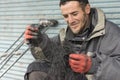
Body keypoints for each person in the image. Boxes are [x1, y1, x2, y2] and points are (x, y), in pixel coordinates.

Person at [24, 0, 120, 80]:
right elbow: (51, 57)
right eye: (66, 16)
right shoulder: (65, 34)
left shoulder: (110, 32)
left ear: (87, 9)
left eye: (74, 14)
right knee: (36, 68)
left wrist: (93, 66)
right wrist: (39, 42)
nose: (70, 21)